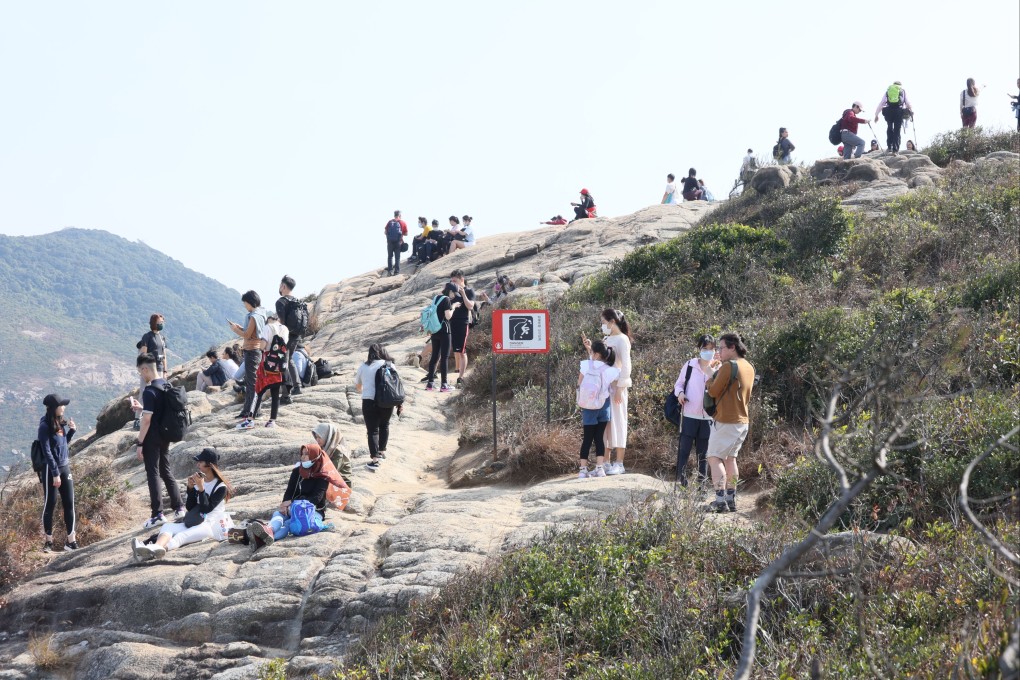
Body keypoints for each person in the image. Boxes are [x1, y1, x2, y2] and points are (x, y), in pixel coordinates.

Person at [132, 448, 234, 561]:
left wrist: (201, 489)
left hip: (209, 526)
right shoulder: (200, 481)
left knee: (181, 536)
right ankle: (155, 548)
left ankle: (158, 550)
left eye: (200, 462)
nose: (198, 464)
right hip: (195, 520)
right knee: (167, 526)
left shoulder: (221, 487)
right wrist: (190, 489)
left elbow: (206, 508)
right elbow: (190, 507)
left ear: (209, 465)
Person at [247, 443, 346, 548]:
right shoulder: (297, 471)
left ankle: (263, 540)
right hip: (293, 507)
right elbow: (289, 491)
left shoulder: (323, 476)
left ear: (315, 456)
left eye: (306, 454)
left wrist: (292, 504)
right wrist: (285, 504)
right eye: (302, 454)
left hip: (312, 510)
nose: (303, 457)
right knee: (278, 514)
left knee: (289, 523)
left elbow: (316, 498)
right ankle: (269, 529)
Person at [705, 333, 756, 513]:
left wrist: (710, 375)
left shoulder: (729, 366)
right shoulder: (749, 366)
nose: (719, 352)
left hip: (726, 420)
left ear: (732, 347)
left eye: (721, 348)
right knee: (730, 459)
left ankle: (720, 501)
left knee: (714, 457)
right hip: (742, 420)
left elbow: (713, 391)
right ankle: (730, 499)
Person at [134, 353, 185, 529]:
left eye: (140, 371)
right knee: (165, 470)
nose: (141, 375)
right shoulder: (166, 384)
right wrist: (142, 408)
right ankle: (179, 508)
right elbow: (160, 408)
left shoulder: (149, 391)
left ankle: (157, 514)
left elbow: (146, 420)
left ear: (145, 369)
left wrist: (140, 443)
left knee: (153, 473)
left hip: (152, 437)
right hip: (165, 435)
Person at [673, 335, 721, 486]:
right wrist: (680, 393)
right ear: (699, 349)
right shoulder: (689, 365)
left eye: (711, 349)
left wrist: (713, 372)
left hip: (708, 417)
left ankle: (702, 486)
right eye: (705, 348)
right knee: (684, 451)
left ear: (715, 350)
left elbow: (721, 390)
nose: (708, 352)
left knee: (703, 455)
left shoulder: (719, 368)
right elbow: (679, 384)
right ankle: (681, 482)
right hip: (689, 415)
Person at [38, 393, 78, 551]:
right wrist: (55, 473)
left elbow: (62, 445)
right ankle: (48, 542)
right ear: (54, 407)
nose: (64, 407)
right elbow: (47, 451)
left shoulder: (60, 422)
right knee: (50, 504)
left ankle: (71, 541)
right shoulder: (44, 426)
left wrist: (72, 432)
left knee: (69, 504)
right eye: (62, 405)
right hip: (51, 469)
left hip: (65, 467)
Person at [576, 339, 620, 479]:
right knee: (600, 438)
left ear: (594, 354)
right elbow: (619, 376)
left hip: (588, 406)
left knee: (587, 438)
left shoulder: (585, 365)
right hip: (603, 406)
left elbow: (579, 382)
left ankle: (583, 470)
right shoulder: (610, 370)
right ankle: (600, 468)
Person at [355, 344, 401, 471]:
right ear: (381, 352)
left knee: (372, 430)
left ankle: (375, 460)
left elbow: (358, 385)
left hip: (368, 400)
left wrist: (364, 390)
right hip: (386, 400)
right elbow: (396, 384)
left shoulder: (364, 366)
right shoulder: (389, 364)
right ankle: (381, 452)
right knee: (384, 425)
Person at [244, 312, 290, 429]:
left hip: (267, 365)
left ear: (269, 319)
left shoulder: (268, 327)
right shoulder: (285, 329)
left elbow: (262, 346)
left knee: (258, 391)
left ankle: (250, 420)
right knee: (275, 393)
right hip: (279, 367)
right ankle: (272, 421)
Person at [600, 309, 633, 475]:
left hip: (617, 386)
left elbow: (626, 366)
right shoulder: (606, 339)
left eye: (604, 322)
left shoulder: (622, 339)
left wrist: (620, 388)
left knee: (619, 421)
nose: (602, 326)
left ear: (612, 322)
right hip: (605, 387)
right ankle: (605, 461)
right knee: (605, 422)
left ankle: (619, 462)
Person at [228, 290, 266, 422]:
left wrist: (235, 330)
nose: (245, 306)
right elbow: (251, 332)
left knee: (252, 384)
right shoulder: (261, 314)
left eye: (245, 303)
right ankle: (247, 411)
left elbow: (247, 335)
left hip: (252, 352)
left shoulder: (254, 316)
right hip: (255, 351)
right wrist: (240, 327)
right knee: (250, 383)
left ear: (250, 302)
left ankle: (253, 411)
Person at [426, 282, 458, 392]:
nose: (454, 295)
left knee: (434, 356)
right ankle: (444, 385)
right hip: (445, 331)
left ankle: (430, 384)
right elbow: (448, 316)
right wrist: (453, 307)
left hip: (435, 331)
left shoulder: (436, 298)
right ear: (450, 291)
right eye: (454, 293)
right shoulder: (447, 299)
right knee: (444, 357)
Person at [448, 270, 475, 388]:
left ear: (461, 279)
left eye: (455, 281)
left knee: (462, 351)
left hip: (462, 323)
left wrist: (463, 294)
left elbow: (470, 306)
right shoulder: (451, 291)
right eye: (451, 281)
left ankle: (461, 377)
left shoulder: (469, 291)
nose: (453, 283)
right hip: (450, 323)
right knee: (447, 348)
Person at [874, 82, 912, 153]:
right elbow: (907, 102)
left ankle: (889, 147)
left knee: (889, 127)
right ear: (900, 85)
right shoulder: (902, 91)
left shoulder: (888, 90)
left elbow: (882, 102)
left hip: (888, 111)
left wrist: (876, 114)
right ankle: (895, 150)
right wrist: (911, 110)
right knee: (897, 130)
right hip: (898, 111)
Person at [312, 422, 352, 487]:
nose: (317, 440)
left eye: (320, 437)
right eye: (316, 437)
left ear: (328, 436)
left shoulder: (338, 451)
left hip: (342, 484)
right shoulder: (324, 447)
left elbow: (332, 471)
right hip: (327, 479)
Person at [384, 210, 408, 276]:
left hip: (390, 242)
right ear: (399, 215)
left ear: (394, 215)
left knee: (390, 256)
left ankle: (390, 271)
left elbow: (385, 232)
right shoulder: (403, 222)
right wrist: (401, 233)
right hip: (398, 242)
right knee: (397, 257)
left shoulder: (390, 222)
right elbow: (406, 233)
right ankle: (396, 272)